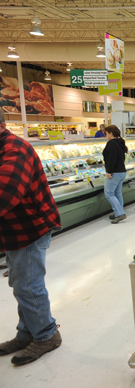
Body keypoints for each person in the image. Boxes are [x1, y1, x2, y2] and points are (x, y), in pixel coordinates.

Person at [0, 109, 62, 365]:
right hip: (13, 231)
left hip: (30, 228)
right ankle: (27, 333)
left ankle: (47, 334)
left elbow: (6, 192)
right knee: (20, 283)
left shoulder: (15, 149)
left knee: (27, 284)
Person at [103, 125, 128, 224]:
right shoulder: (121, 142)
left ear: (111, 133)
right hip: (122, 171)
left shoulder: (112, 143)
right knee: (117, 193)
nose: (106, 135)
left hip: (115, 172)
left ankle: (120, 214)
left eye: (106, 133)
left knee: (109, 193)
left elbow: (111, 159)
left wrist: (109, 171)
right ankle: (118, 212)